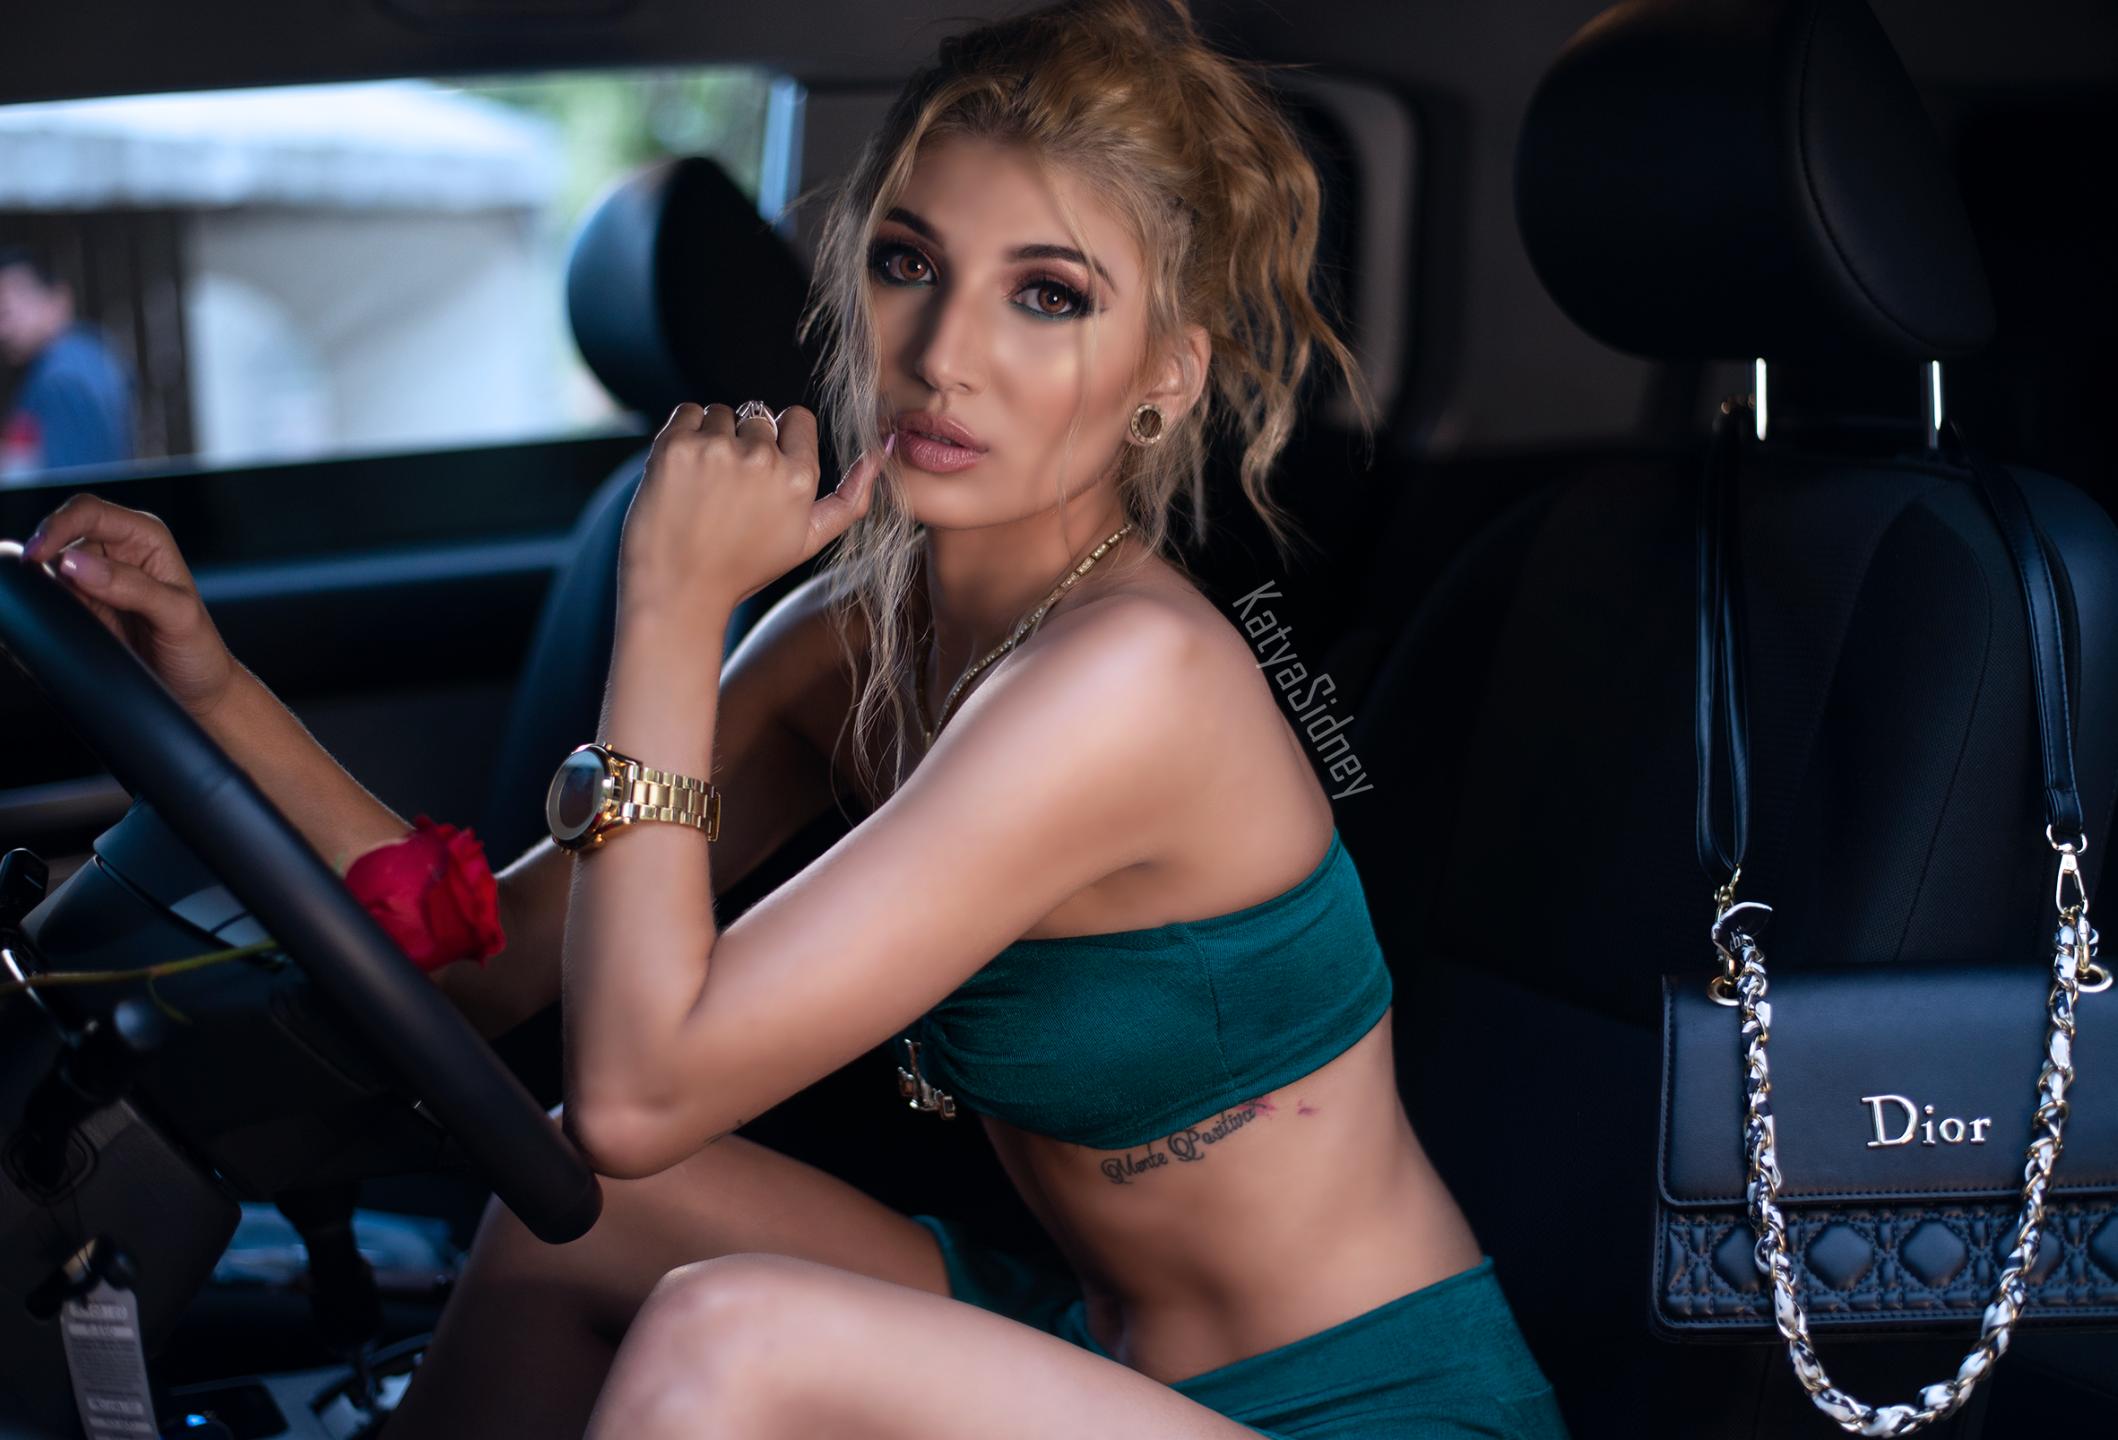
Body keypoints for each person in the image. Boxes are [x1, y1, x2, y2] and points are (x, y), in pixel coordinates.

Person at [14, 2, 1566, 1435]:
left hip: (1358, 1411)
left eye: (1046, 297)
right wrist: (211, 686)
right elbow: (491, 971)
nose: (943, 356)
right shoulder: (854, 636)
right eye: (908, 264)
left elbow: (639, 1094)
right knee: (585, 1210)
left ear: (1165, 374)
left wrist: (670, 608)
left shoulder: (1130, 679)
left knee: (727, 1331)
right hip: (1096, 1350)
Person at [0, 245, 135, 481]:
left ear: (58, 299)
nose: (4, 330)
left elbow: (68, 484)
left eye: (8, 312)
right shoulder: (94, 351)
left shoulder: (59, 377)